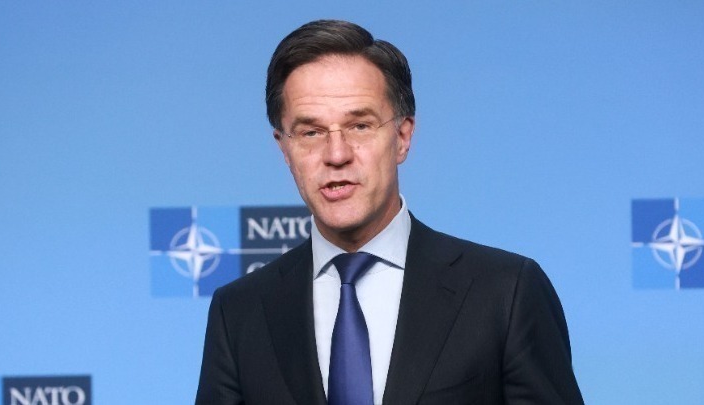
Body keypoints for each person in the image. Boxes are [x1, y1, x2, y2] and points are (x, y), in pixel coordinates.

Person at [196, 19, 584, 405]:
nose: (336, 154)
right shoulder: (240, 312)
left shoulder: (505, 292)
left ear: (402, 136)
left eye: (360, 126)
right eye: (311, 132)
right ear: (284, 148)